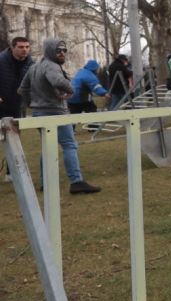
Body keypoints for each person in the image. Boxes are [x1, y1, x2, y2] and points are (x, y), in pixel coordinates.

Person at [17, 38, 100, 194]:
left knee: (47, 147)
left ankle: (45, 183)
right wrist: (70, 90)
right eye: (58, 50)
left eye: (64, 50)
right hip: (55, 112)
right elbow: (58, 82)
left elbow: (22, 89)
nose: (62, 53)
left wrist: (31, 103)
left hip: (38, 113)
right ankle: (76, 182)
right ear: (50, 51)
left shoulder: (34, 67)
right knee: (69, 145)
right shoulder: (52, 66)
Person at [1, 36, 33, 181]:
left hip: (16, 105)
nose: (24, 50)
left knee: (14, 139)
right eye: (20, 47)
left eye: (27, 47)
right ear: (12, 47)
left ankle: (11, 172)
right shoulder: (1, 60)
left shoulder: (31, 63)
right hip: (1, 103)